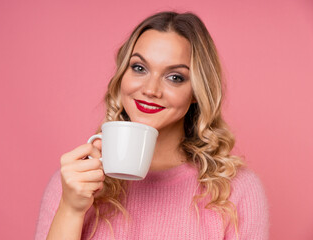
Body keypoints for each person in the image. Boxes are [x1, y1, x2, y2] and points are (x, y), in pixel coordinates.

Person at [35, 11, 269, 240]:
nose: (150, 90)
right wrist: (71, 209)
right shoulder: (74, 182)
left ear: (197, 91)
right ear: (122, 75)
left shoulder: (237, 190)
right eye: (139, 68)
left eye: (175, 77)